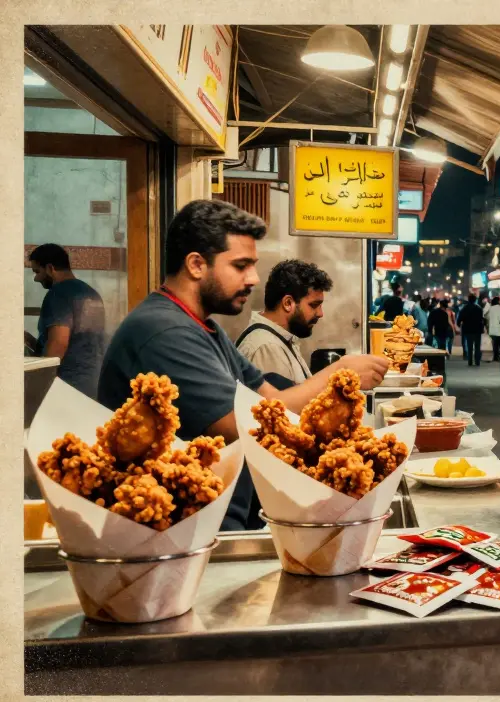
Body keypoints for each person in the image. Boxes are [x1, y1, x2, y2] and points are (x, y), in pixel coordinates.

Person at [97, 200, 389, 531]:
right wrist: (339, 373)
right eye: (240, 266)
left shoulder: (204, 327)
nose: (253, 279)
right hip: (179, 536)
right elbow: (245, 427)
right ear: (196, 265)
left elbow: (271, 407)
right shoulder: (164, 332)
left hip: (223, 523)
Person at [236, 259, 333, 386]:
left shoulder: (281, 338)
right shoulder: (267, 347)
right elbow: (284, 403)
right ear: (287, 303)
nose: (320, 314)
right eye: (314, 305)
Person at [27, 243, 106, 398]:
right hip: (92, 385)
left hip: (66, 386)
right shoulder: (92, 294)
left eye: (37, 271)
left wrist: (39, 385)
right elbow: (81, 341)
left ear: (50, 268)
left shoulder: (58, 294)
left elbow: (58, 344)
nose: (36, 279)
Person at [458, 294, 485, 366]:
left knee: (469, 346)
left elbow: (460, 318)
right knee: (477, 346)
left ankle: (470, 361)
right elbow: (482, 319)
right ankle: (477, 362)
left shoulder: (464, 308)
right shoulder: (479, 308)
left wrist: (458, 324)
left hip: (468, 330)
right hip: (477, 330)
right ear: (475, 300)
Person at [485, 296, 500, 365]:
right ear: (498, 301)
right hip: (499, 330)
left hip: (492, 330)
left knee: (495, 345)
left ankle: (495, 357)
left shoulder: (491, 309)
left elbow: (486, 316)